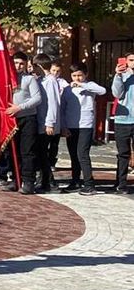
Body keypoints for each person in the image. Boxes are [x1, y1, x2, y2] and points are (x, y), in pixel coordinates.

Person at [60, 63, 106, 195]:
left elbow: (102, 91)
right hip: (71, 126)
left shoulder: (90, 86)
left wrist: (83, 85)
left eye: (80, 75)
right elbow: (62, 109)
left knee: (82, 154)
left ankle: (89, 184)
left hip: (85, 125)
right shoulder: (68, 89)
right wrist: (64, 126)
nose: (77, 78)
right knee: (73, 155)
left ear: (85, 75)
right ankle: (75, 181)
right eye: (74, 75)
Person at [3, 52, 41, 194]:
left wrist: (19, 107)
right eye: (15, 63)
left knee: (27, 151)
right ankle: (15, 179)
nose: (18, 66)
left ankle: (28, 181)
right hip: (11, 120)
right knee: (12, 152)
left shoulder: (29, 79)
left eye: (21, 63)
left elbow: (37, 99)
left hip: (27, 118)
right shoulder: (6, 79)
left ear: (25, 65)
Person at [33, 54, 61, 192]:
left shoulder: (51, 81)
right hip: (40, 121)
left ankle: (48, 182)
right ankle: (44, 180)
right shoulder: (42, 80)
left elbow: (53, 103)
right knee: (40, 153)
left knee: (43, 154)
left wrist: (50, 122)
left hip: (46, 123)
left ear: (39, 66)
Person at [111, 52, 134, 194]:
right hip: (123, 120)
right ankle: (121, 183)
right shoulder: (122, 76)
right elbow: (117, 94)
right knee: (123, 153)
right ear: (125, 61)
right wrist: (118, 75)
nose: (133, 63)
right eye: (131, 60)